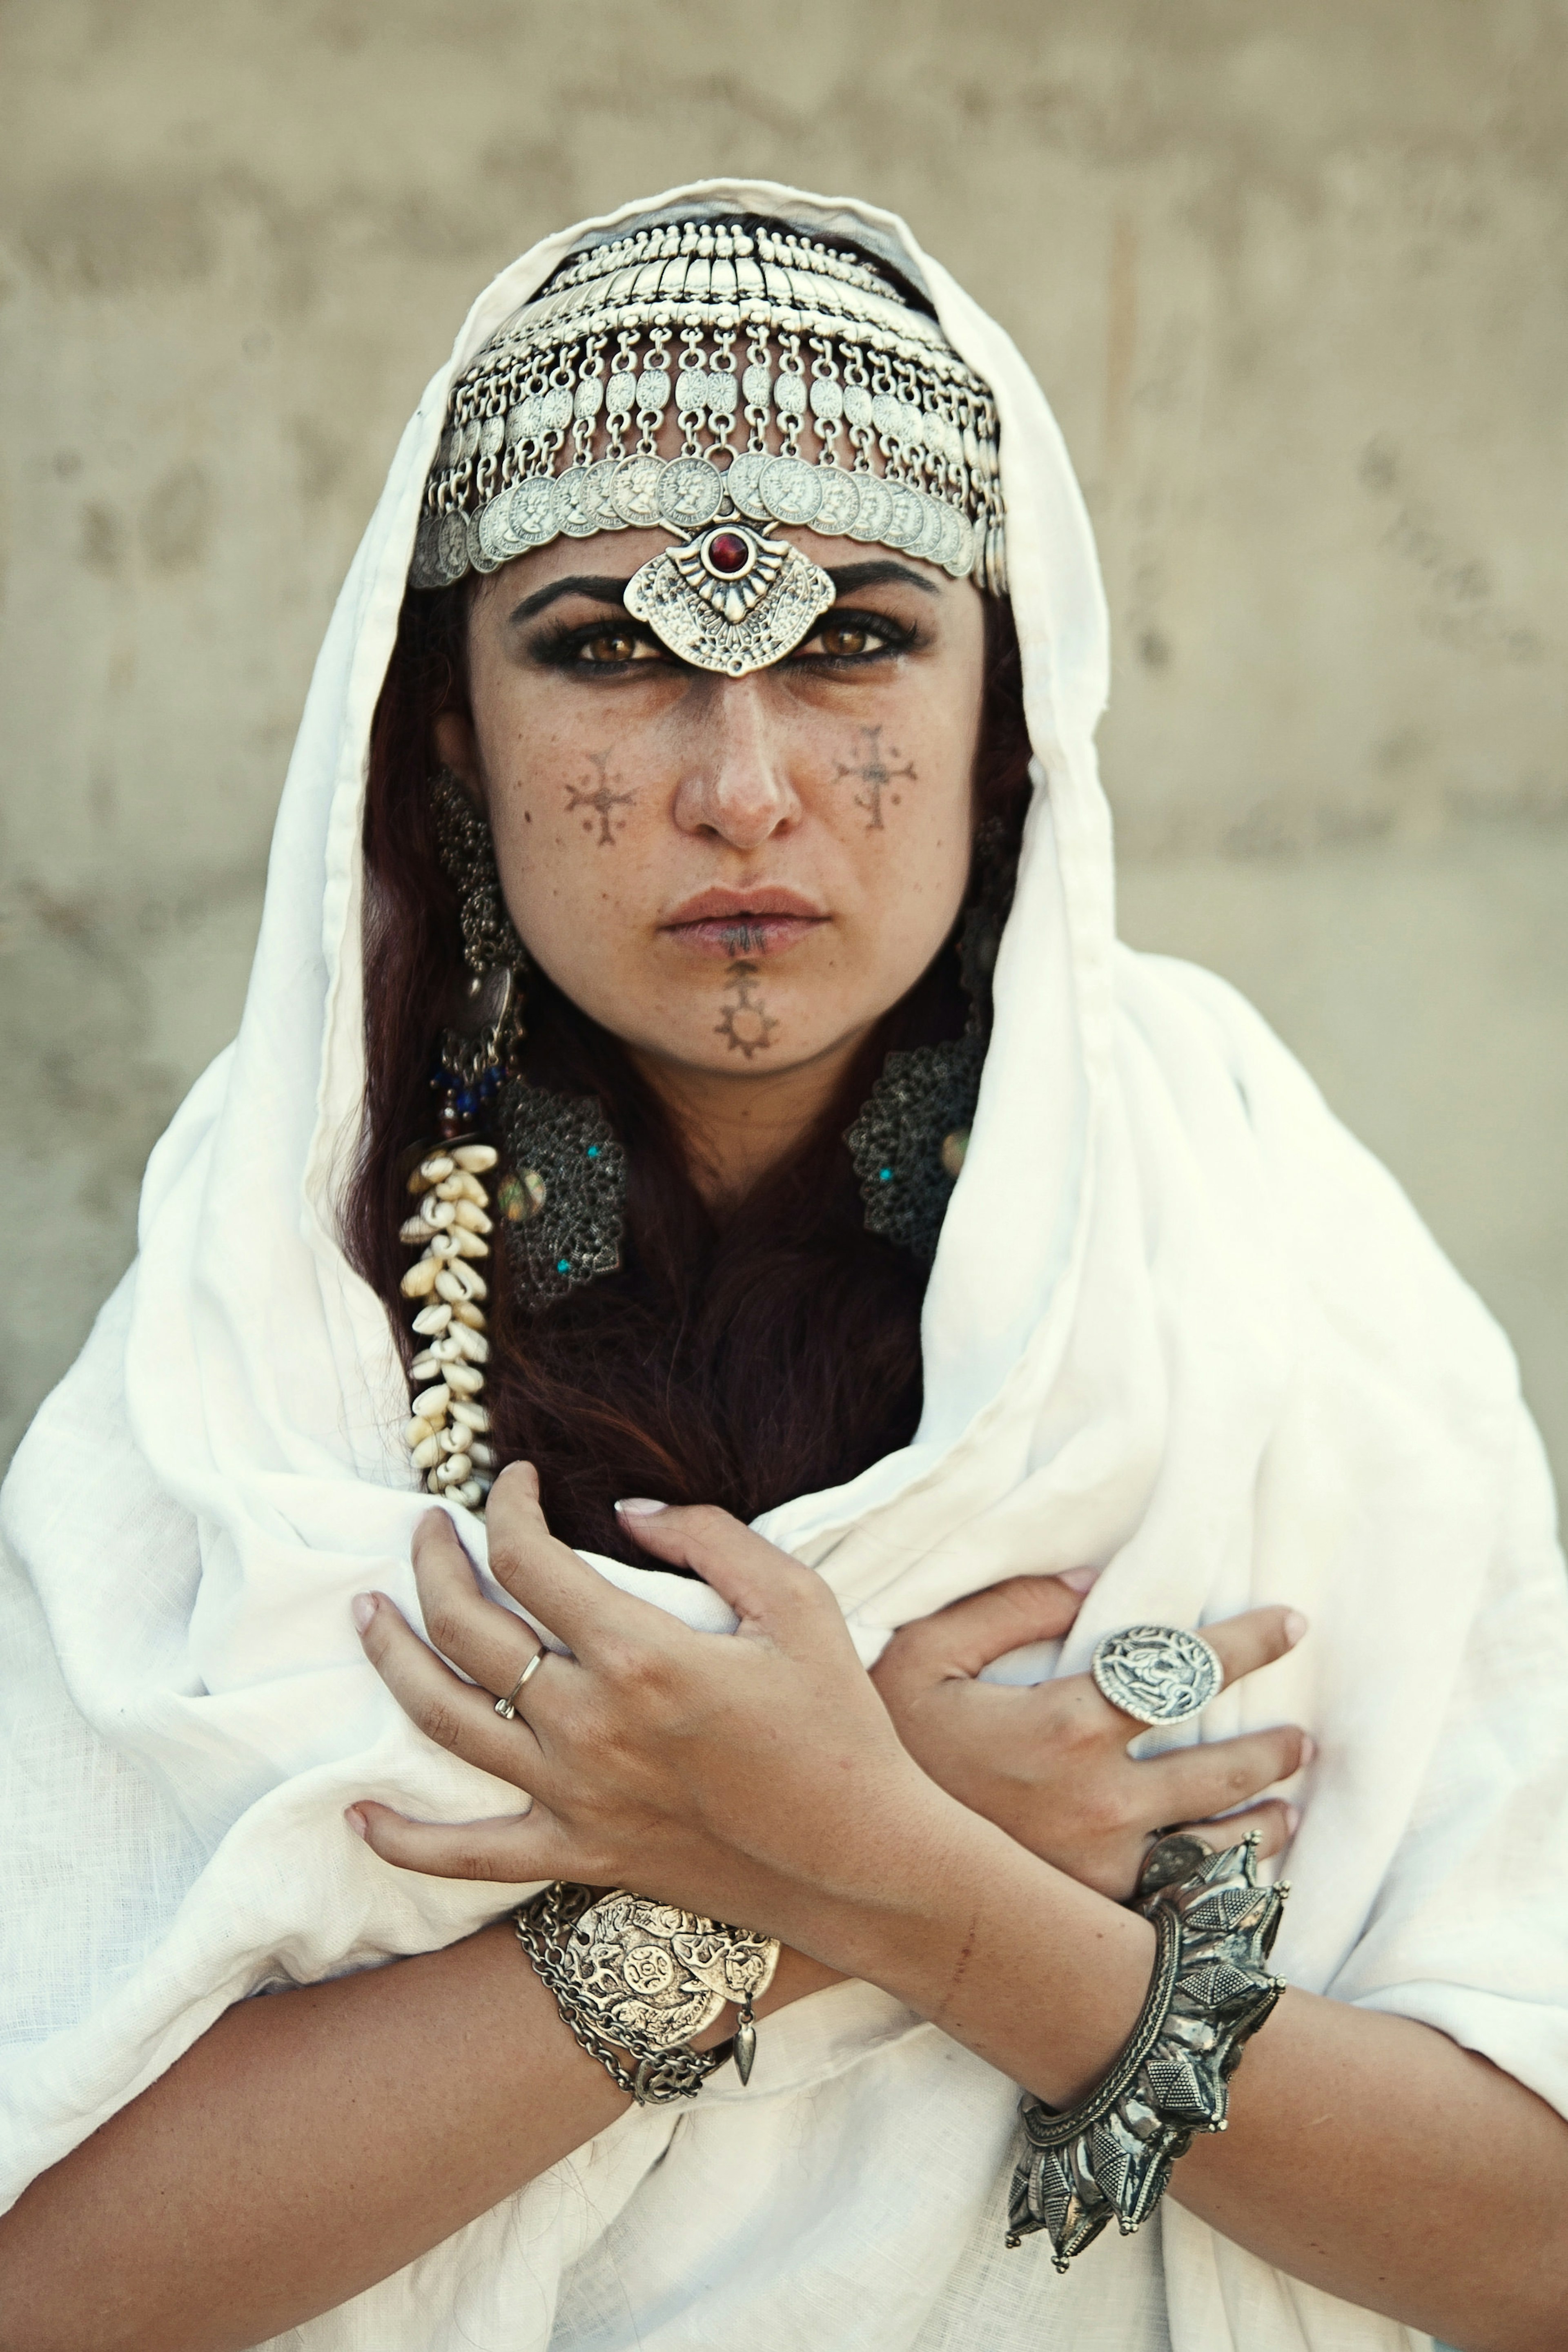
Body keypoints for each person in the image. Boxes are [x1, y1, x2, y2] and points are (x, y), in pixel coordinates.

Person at [1, 184, 1565, 2352]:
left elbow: (1531, 2237)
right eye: (609, 651)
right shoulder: (286, 1265)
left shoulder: (1243, 1236)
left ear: (1009, 704)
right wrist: (813, 1873)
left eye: (854, 641)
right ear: (446, 725)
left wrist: (868, 1851)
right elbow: (55, 2277)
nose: (746, 791)